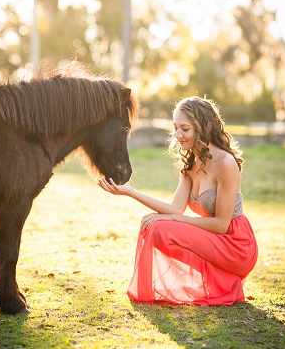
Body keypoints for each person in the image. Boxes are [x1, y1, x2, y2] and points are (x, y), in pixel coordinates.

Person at [98, 95, 258, 305]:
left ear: (203, 128)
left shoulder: (225, 163)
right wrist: (130, 192)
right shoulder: (191, 163)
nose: (178, 135)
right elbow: (175, 208)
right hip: (214, 240)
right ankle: (222, 282)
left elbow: (220, 224)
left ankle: (224, 280)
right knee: (152, 226)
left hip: (236, 244)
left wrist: (173, 219)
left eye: (185, 129)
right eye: (175, 128)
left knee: (161, 226)